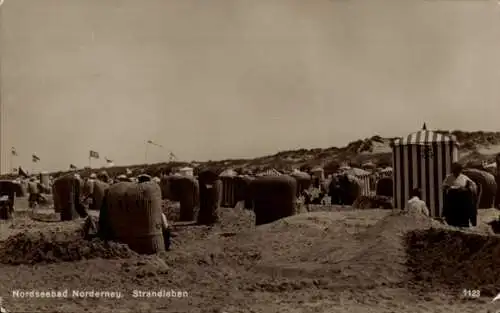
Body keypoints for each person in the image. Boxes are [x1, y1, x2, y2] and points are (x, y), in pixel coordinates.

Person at [442, 162, 477, 227]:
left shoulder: (464, 177)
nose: (457, 172)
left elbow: (473, 185)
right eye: (456, 170)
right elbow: (444, 186)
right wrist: (450, 187)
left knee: (464, 212)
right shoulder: (449, 177)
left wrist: (467, 188)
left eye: (459, 170)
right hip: (453, 197)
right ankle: (452, 223)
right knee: (452, 213)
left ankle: (464, 223)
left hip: (462, 198)